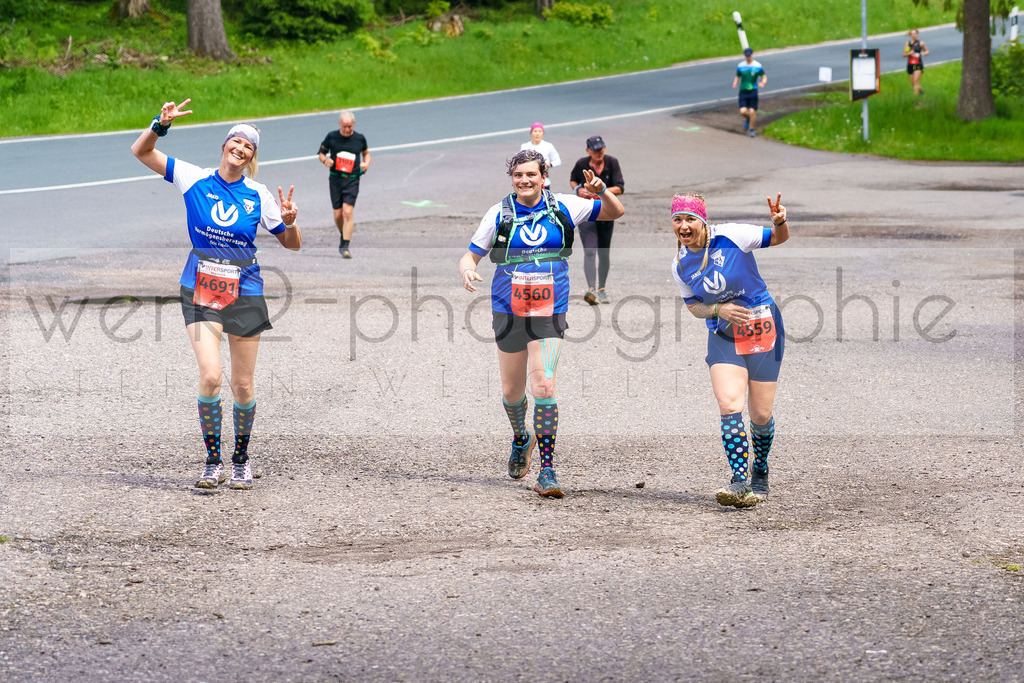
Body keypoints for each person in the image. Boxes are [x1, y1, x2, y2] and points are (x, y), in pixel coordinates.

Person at [131, 98, 302, 490]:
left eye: (248, 147)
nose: (240, 149)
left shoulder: (259, 194)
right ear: (224, 145)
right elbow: (141, 152)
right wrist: (160, 124)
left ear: (252, 157)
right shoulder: (194, 178)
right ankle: (213, 461)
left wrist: (290, 223)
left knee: (242, 385)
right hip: (201, 285)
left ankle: (240, 459)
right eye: (236, 142)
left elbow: (292, 244)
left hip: (246, 289)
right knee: (211, 376)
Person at [459, 149, 624, 498]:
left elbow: (614, 212)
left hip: (550, 308)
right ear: (512, 179)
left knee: (544, 386)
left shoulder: (564, 205)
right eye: (518, 175)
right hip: (508, 308)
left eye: (531, 174)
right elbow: (470, 255)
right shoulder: (498, 213)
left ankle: (547, 471)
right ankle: (522, 437)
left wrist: (601, 191)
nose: (525, 180)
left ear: (543, 176)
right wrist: (468, 269)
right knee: (511, 392)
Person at [670, 192, 789, 508]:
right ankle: (739, 480)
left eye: (690, 219)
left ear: (703, 220)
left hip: (761, 324)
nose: (684, 226)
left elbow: (778, 238)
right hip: (724, 334)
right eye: (677, 220)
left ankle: (760, 468)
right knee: (729, 402)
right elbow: (694, 306)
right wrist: (718, 309)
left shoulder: (732, 236)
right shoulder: (680, 265)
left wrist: (780, 222)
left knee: (761, 414)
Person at [568, 135, 625, 305]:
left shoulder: (612, 163)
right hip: (587, 212)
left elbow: (620, 188)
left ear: (605, 148)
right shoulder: (581, 164)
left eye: (601, 150)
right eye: (595, 151)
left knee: (604, 251)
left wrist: (601, 190)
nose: (598, 153)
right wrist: (578, 190)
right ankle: (591, 289)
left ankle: (602, 289)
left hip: (606, 212)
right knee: (590, 250)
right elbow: (573, 180)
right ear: (588, 151)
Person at [318, 110, 370, 258]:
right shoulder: (331, 136)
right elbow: (321, 153)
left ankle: (345, 246)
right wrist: (326, 160)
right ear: (340, 124)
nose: (347, 129)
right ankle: (344, 233)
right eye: (345, 126)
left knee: (347, 212)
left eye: (350, 126)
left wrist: (366, 163)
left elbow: (366, 153)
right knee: (338, 214)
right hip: (336, 179)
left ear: (353, 124)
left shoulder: (360, 138)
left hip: (352, 179)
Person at [732, 48, 767, 137]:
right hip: (743, 90)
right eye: (746, 56)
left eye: (749, 56)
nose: (748, 57)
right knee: (743, 111)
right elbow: (737, 76)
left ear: (751, 55)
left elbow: (764, 76)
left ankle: (751, 129)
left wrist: (763, 83)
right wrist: (735, 82)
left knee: (752, 111)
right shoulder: (740, 66)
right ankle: (748, 118)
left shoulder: (757, 66)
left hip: (753, 90)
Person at [520, 122, 561, 188]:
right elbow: (519, 162)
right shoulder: (524, 146)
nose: (537, 134)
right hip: (529, 181)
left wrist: (549, 164)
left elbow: (557, 161)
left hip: (544, 182)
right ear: (531, 133)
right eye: (535, 131)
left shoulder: (548, 146)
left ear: (543, 133)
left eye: (540, 131)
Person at [903, 29, 929, 96]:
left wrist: (923, 53)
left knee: (916, 83)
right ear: (910, 35)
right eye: (912, 34)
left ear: (917, 34)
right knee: (913, 84)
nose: (913, 35)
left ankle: (916, 99)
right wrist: (909, 53)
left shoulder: (921, 43)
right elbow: (904, 54)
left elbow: (927, 51)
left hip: (918, 64)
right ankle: (922, 91)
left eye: (915, 34)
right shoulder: (907, 44)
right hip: (910, 64)